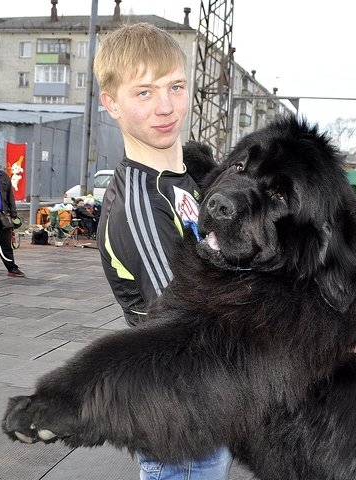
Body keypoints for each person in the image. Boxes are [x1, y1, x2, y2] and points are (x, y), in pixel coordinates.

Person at [95, 23, 232, 480]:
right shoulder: (138, 203)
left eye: (175, 86)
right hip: (184, 425)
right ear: (110, 102)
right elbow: (186, 325)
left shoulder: (184, 181)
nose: (167, 107)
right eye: (144, 93)